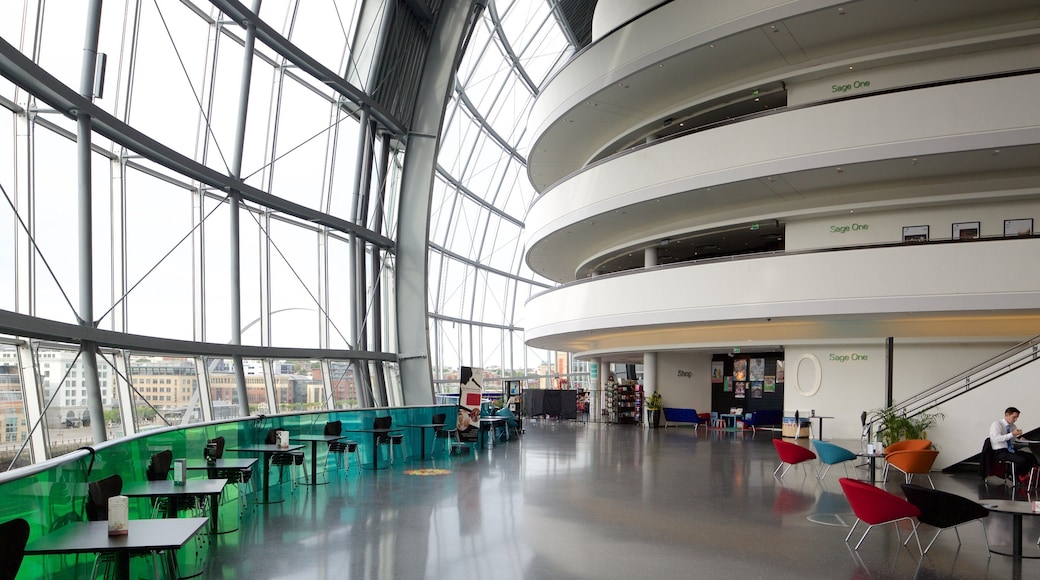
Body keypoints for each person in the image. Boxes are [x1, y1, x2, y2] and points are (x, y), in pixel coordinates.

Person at [990, 406, 1038, 485]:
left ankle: (1022, 475)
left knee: (1031, 457)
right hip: (1000, 451)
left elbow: (1011, 441)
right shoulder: (997, 424)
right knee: (1021, 460)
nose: (1015, 420)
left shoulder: (1013, 426)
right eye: (1014, 417)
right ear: (1007, 415)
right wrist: (1012, 434)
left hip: (1011, 450)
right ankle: (1014, 475)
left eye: (1017, 418)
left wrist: (1019, 439)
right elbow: (996, 439)